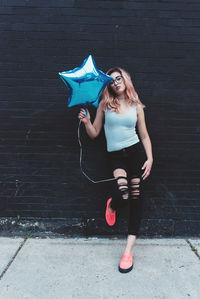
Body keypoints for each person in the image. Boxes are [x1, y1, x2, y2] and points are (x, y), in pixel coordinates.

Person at [78, 67, 153, 273]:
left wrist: (150, 158)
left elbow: (144, 135)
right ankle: (112, 206)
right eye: (111, 81)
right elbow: (94, 134)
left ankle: (128, 252)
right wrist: (86, 121)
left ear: (125, 79)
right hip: (116, 156)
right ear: (108, 85)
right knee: (123, 194)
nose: (116, 82)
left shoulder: (136, 105)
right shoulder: (104, 104)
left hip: (136, 153)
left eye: (118, 78)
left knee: (136, 198)